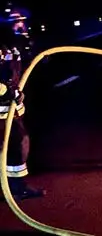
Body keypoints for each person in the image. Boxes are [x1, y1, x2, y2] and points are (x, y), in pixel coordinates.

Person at [0, 45, 45, 200]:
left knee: (16, 147)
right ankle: (15, 189)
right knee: (15, 147)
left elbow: (13, 69)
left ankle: (16, 187)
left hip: (10, 114)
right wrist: (8, 92)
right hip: (3, 115)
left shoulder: (8, 46)